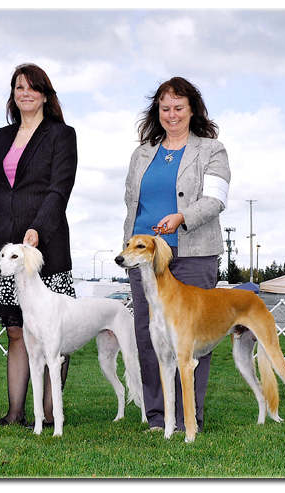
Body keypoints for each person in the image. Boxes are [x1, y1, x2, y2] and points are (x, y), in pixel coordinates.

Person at [123, 76, 230, 433]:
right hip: (146, 258)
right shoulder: (142, 154)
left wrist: (183, 217)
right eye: (165, 108)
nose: (171, 115)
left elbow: (215, 200)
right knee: (148, 336)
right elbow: (131, 203)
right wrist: (131, 245)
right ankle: (158, 417)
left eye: (178, 108)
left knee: (191, 341)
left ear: (191, 110)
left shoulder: (212, 150)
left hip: (193, 253)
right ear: (158, 110)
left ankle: (189, 419)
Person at [0, 63, 78, 427]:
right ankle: (15, 412)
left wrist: (38, 229)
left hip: (45, 244)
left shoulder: (61, 135)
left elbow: (60, 189)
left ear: (44, 94)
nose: (25, 93)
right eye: (18, 87)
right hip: (6, 244)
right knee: (16, 331)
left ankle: (52, 410)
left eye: (32, 87)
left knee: (52, 330)